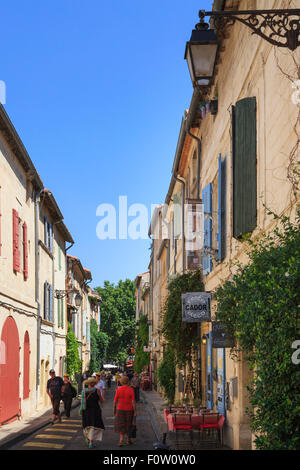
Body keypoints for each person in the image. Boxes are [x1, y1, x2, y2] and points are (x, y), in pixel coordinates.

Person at [80, 377, 105, 448]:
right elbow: (101, 400)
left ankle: (88, 439)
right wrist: (102, 400)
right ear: (94, 384)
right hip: (95, 410)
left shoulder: (83, 391)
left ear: (88, 384)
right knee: (93, 426)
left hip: (86, 410)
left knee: (86, 425)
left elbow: (82, 402)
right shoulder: (97, 390)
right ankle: (91, 442)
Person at [113, 375, 136, 447]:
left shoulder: (118, 390)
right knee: (129, 424)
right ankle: (128, 439)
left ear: (121, 382)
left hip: (120, 409)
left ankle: (121, 440)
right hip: (129, 409)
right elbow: (133, 402)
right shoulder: (131, 390)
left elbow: (115, 401)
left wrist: (114, 409)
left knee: (121, 424)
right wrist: (135, 411)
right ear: (128, 382)